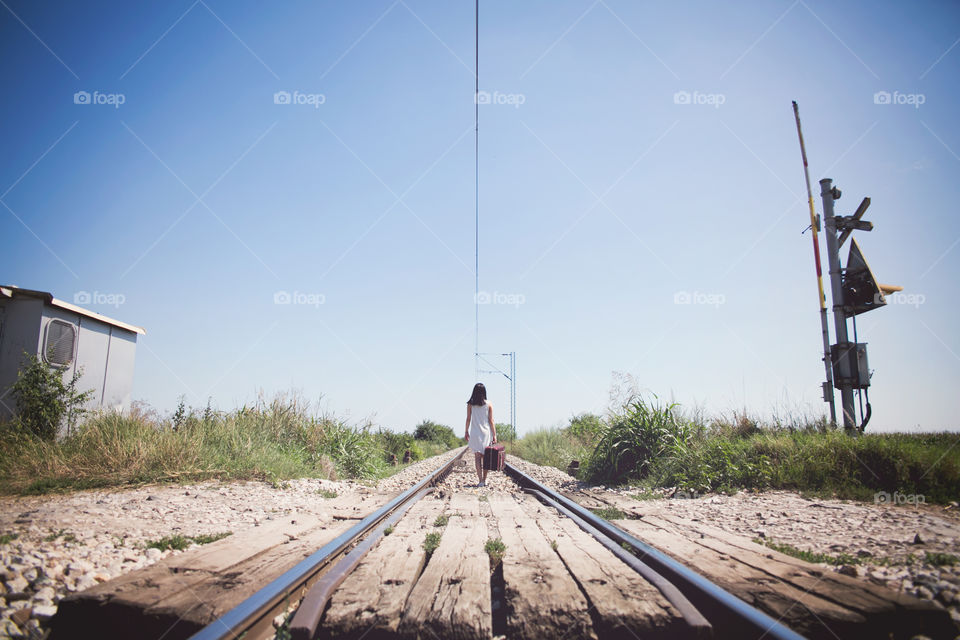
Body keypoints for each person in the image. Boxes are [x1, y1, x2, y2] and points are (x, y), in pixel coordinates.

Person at [464, 382, 496, 487]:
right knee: (486, 457)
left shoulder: (470, 404)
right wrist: (494, 435)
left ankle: (480, 480)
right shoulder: (489, 404)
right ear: (484, 392)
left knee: (477, 457)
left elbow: (468, 419)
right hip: (486, 433)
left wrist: (466, 431)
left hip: (475, 433)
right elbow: (491, 421)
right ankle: (485, 479)